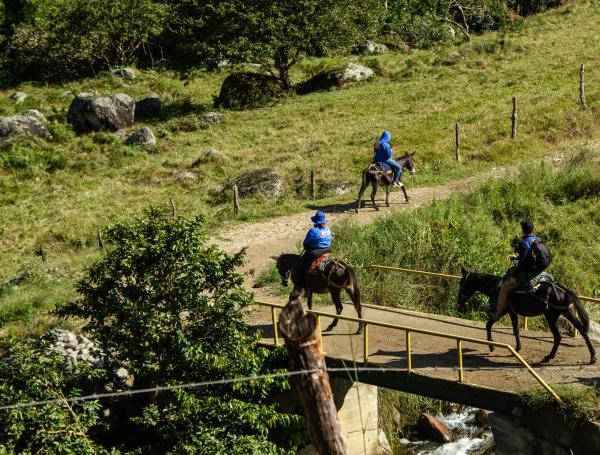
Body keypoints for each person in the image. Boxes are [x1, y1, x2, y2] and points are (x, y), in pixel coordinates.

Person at [488, 219, 540, 321]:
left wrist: (514, 277)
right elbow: (530, 256)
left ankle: (497, 314)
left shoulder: (524, 242)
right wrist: (516, 257)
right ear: (532, 229)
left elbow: (523, 262)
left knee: (504, 288)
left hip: (527, 272)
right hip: (538, 270)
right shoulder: (537, 239)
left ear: (523, 230)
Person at [296, 211, 332, 288]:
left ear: (315, 221)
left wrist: (307, 247)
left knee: (300, 264)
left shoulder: (313, 231)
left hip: (316, 252)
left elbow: (306, 243)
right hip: (328, 250)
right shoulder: (327, 229)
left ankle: (302, 283)